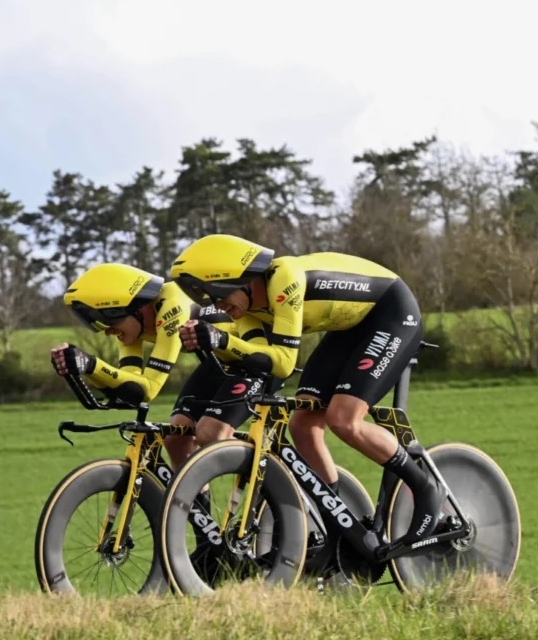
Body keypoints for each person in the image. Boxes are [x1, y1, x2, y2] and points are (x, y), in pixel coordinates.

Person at [169, 233, 445, 546]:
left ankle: (424, 488)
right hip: (348, 328)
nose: (220, 308)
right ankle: (337, 526)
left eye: (219, 298)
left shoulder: (283, 278)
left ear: (238, 280)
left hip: (391, 312)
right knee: (302, 424)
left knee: (344, 419)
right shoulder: (248, 311)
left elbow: (284, 363)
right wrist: (213, 344)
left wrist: (221, 340)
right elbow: (260, 358)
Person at [52, 263, 251, 470]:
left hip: (253, 360)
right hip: (219, 363)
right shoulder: (131, 325)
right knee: (176, 440)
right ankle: (192, 493)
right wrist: (83, 367)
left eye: (108, 322)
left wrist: (92, 365)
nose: (108, 332)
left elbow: (149, 388)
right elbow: (130, 384)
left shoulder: (171, 307)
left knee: (210, 434)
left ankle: (266, 475)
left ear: (129, 308)